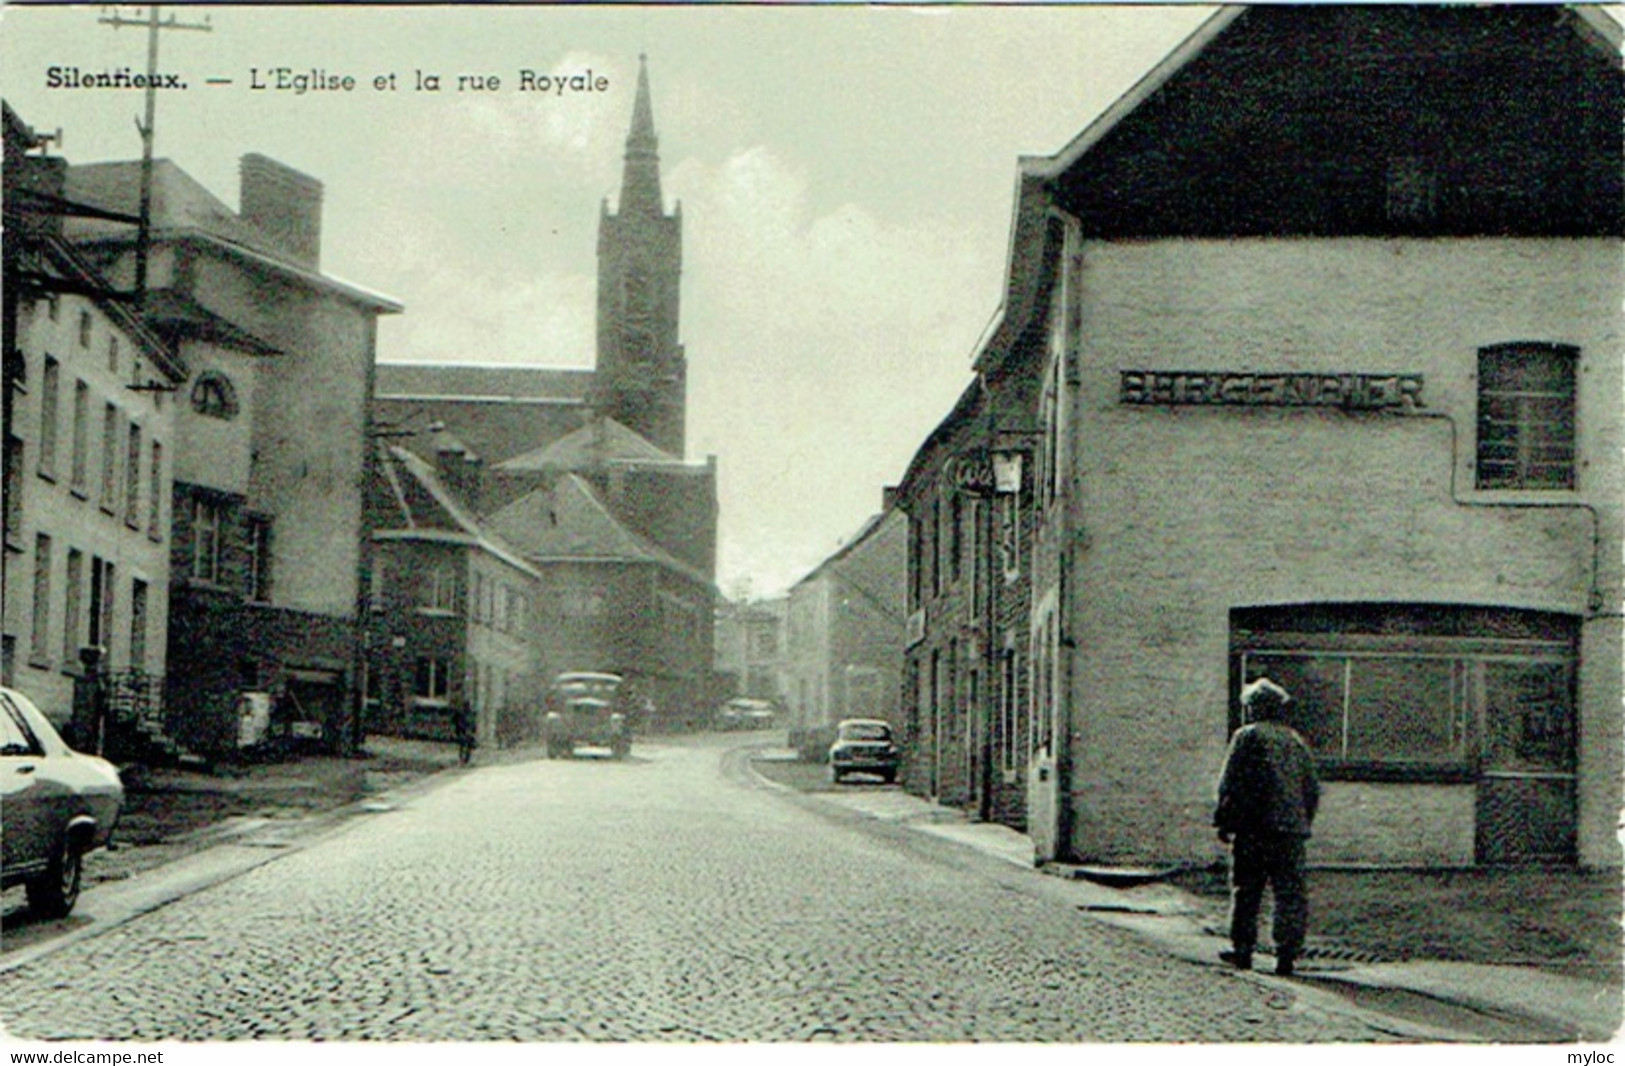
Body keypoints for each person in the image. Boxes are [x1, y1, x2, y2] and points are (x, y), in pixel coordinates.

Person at [1214, 677, 1320, 976]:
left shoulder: (1246, 736)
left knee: (1247, 890)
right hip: (1290, 831)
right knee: (1289, 893)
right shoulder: (1295, 741)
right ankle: (1286, 955)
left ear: (1253, 709)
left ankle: (1243, 949)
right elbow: (1311, 788)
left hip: (1254, 828)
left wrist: (1224, 820)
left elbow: (1230, 782)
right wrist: (1302, 822)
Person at [453, 701, 476, 765]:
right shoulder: (462, 714)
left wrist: (472, 729)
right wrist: (464, 729)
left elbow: (473, 723)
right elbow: (459, 723)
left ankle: (466, 759)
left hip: (468, 732)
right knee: (463, 745)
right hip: (463, 732)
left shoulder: (470, 713)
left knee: (468, 745)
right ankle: (462, 758)